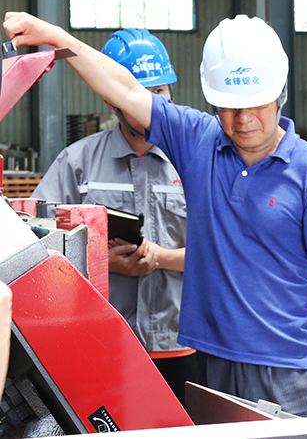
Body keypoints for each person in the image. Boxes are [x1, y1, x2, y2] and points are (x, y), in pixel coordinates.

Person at [6, 12, 307, 417]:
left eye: (256, 105)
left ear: (282, 93)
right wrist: (55, 37)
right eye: (229, 107)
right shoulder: (199, 141)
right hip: (211, 360)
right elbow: (124, 89)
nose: (243, 120)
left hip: (289, 365)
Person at [30, 29, 195, 405]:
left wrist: (161, 257)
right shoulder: (78, 163)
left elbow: (223, 253)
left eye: (159, 91)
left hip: (179, 342)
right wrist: (104, 263)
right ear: (111, 99)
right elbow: (37, 245)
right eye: (137, 92)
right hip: (101, 339)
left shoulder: (193, 163)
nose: (149, 103)